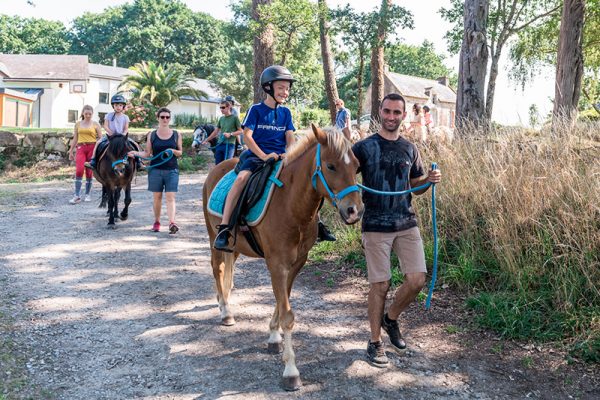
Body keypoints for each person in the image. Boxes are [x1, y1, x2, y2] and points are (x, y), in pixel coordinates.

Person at [351, 93, 442, 368]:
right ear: (380, 112)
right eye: (387, 111)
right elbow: (343, 176)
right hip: (376, 224)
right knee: (380, 284)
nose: (391, 117)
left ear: (404, 115)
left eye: (396, 112)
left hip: (405, 221)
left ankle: (390, 319)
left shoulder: (410, 149)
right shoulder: (363, 148)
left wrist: (430, 180)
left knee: (416, 280)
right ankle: (375, 342)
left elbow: (417, 185)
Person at [128, 107, 183, 234]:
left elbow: (180, 152)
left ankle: (172, 223)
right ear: (158, 118)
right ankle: (157, 222)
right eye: (162, 117)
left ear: (170, 119)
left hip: (172, 170)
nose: (165, 119)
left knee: (171, 197)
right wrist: (135, 153)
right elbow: (147, 153)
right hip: (155, 170)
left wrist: (173, 151)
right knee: (157, 197)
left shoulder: (176, 134)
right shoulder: (152, 135)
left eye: (167, 117)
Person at [85, 94, 141, 170]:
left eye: (120, 105)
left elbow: (126, 128)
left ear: (123, 106)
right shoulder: (108, 115)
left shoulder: (125, 117)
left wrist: (124, 134)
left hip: (122, 137)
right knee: (98, 143)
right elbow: (105, 126)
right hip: (110, 136)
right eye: (116, 105)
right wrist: (111, 133)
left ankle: (139, 162)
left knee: (135, 144)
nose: (118, 107)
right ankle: (93, 161)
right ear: (113, 106)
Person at [68, 105, 102, 204]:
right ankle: (77, 195)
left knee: (89, 172)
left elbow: (100, 137)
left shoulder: (95, 124)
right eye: (86, 113)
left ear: (92, 114)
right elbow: (75, 138)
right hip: (80, 148)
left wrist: (96, 148)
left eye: (90, 114)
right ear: (83, 113)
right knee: (79, 170)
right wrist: (70, 151)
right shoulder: (78, 124)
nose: (88, 115)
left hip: (92, 148)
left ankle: (87, 194)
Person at [202, 99, 242, 164]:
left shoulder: (235, 118)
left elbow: (240, 131)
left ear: (229, 107)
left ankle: (240, 145)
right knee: (218, 165)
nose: (221, 109)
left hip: (229, 144)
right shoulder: (221, 119)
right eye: (220, 107)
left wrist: (231, 134)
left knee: (227, 165)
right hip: (220, 144)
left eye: (223, 107)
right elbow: (215, 132)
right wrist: (206, 140)